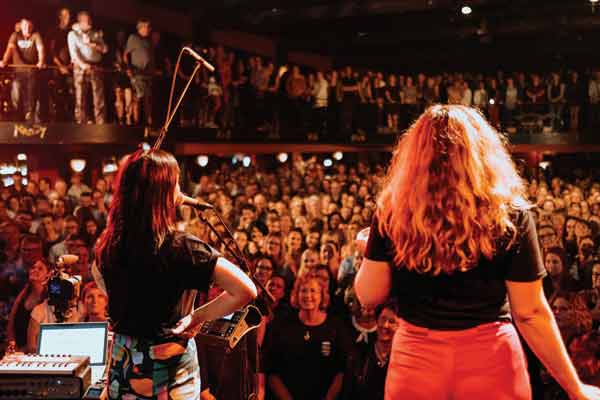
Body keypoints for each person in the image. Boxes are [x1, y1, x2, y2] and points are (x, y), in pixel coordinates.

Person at [354, 105, 600, 400]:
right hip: (491, 363)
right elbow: (530, 313)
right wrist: (575, 390)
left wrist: (370, 251)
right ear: (482, 153)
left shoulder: (393, 214)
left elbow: (369, 296)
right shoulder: (510, 215)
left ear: (414, 156)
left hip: (417, 364)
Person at [93, 149, 256, 399]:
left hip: (123, 369)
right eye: (176, 182)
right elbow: (245, 290)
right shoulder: (183, 248)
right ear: (163, 192)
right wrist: (197, 317)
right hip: (170, 372)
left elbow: (99, 276)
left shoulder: (110, 244)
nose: (180, 189)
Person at [0, 19, 45, 122]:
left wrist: (41, 61)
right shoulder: (15, 35)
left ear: (32, 27)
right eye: (25, 26)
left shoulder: (36, 35)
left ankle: (30, 115)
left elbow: (41, 49)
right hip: (18, 72)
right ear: (21, 26)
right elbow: (9, 49)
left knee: (31, 93)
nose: (27, 28)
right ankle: (16, 115)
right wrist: (4, 61)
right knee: (16, 92)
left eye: (29, 26)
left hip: (31, 72)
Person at [67, 11, 107, 124]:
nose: (89, 22)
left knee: (98, 96)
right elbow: (73, 53)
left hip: (95, 66)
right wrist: (82, 65)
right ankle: (80, 121)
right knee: (80, 96)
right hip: (80, 67)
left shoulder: (95, 34)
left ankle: (100, 122)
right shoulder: (73, 34)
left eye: (90, 20)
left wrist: (92, 43)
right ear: (80, 22)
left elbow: (105, 49)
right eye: (86, 20)